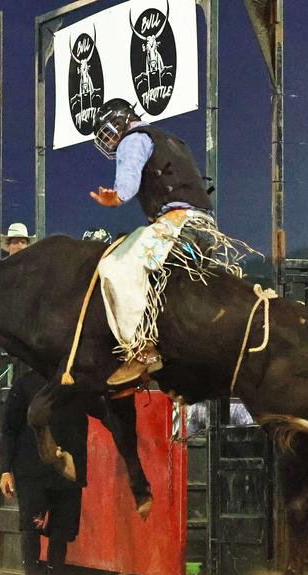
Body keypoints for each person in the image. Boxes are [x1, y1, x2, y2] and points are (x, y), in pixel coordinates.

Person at [88, 98, 230, 388]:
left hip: (177, 226)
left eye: (108, 130)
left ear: (123, 120)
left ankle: (141, 350)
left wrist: (116, 197)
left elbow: (127, 183)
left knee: (115, 267)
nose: (109, 139)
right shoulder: (173, 141)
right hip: (206, 229)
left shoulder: (133, 140)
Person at [0, 365, 91, 575]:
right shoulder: (25, 383)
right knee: (31, 526)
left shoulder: (78, 383)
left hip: (67, 468)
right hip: (32, 468)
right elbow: (8, 429)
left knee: (60, 530)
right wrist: (5, 469)